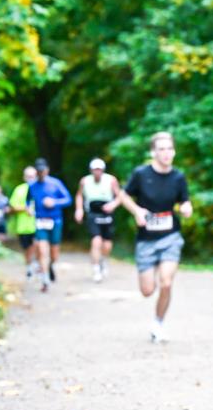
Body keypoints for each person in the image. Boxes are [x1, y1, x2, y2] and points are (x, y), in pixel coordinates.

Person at [118, 132, 193, 343]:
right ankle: (155, 310)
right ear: (153, 152)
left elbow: (184, 201)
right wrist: (136, 211)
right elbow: (123, 196)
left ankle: (158, 323)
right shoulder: (141, 174)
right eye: (161, 149)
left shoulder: (178, 177)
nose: (166, 153)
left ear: (174, 151)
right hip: (146, 240)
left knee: (166, 283)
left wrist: (186, 208)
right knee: (147, 290)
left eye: (169, 148)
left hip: (170, 236)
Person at [26, 158, 73, 292]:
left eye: (43, 170)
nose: (41, 173)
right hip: (40, 221)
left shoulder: (56, 184)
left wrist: (54, 202)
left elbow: (68, 199)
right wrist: (28, 208)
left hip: (55, 220)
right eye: (38, 171)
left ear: (47, 170)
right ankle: (45, 278)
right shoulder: (32, 186)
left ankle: (51, 265)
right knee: (42, 249)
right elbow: (27, 201)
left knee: (54, 253)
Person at [75, 158, 121, 282]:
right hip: (93, 213)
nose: (97, 172)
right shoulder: (85, 181)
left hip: (107, 213)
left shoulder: (111, 180)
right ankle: (96, 269)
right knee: (96, 241)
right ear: (91, 170)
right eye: (95, 170)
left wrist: (113, 205)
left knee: (106, 244)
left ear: (103, 170)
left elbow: (120, 196)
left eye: (99, 169)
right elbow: (79, 195)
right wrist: (79, 210)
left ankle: (103, 260)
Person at [9, 166, 40, 279]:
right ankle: (29, 267)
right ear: (24, 177)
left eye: (32, 176)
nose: (30, 178)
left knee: (38, 245)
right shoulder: (19, 189)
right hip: (23, 226)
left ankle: (37, 264)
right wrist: (24, 209)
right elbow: (12, 207)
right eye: (28, 176)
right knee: (27, 248)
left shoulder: (40, 188)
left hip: (38, 225)